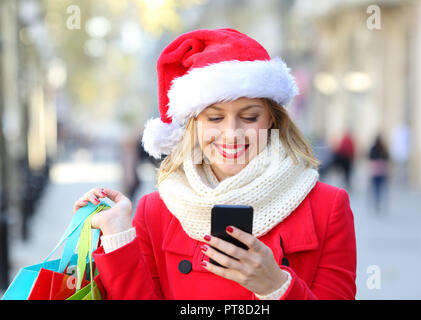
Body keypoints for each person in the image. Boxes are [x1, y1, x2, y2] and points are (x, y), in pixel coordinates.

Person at [72, 28, 357, 300]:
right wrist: (119, 235)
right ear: (194, 124)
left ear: (272, 119)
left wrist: (277, 287)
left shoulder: (327, 207)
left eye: (249, 117)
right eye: (215, 118)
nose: (231, 134)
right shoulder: (155, 211)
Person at [368, 134, 390, 214]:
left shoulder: (373, 148)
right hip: (382, 170)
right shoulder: (383, 148)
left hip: (375, 170)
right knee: (382, 187)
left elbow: (370, 157)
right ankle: (380, 202)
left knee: (375, 187)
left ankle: (376, 201)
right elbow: (387, 157)